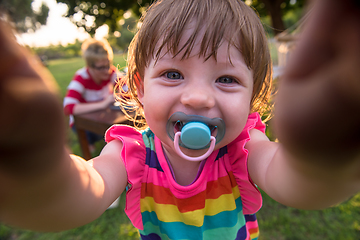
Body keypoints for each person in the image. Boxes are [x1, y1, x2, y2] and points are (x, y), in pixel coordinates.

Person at [0, 0, 359, 239]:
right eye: (173, 74)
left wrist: (323, 156)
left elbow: (299, 184)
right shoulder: (132, 153)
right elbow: (84, 192)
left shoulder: (244, 149)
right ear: (139, 87)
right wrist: (36, 173)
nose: (198, 97)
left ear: (252, 96)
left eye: (227, 79)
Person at [63, 38, 119, 151]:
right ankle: (90, 143)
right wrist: (102, 104)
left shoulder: (110, 72)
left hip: (102, 116)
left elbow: (126, 88)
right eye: (101, 67)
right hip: (85, 120)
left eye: (108, 65)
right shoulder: (81, 77)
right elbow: (68, 108)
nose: (106, 70)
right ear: (89, 66)